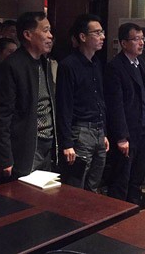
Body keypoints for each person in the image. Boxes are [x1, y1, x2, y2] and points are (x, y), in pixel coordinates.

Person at [0, 12, 56, 180]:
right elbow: (1, 116)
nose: (50, 35)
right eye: (45, 30)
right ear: (27, 35)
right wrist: (4, 156)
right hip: (25, 146)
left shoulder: (44, 63)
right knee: (25, 193)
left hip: (47, 144)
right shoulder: (12, 65)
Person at [104, 22, 145, 205]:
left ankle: (134, 212)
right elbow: (115, 104)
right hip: (128, 130)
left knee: (137, 176)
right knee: (122, 177)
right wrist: (121, 137)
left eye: (143, 39)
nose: (141, 43)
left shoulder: (140, 63)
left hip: (143, 127)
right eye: (136, 39)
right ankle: (117, 214)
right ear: (124, 43)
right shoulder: (115, 67)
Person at [55, 14, 109, 192]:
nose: (102, 37)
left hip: (98, 129)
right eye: (97, 33)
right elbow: (64, 106)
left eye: (102, 32)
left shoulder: (96, 63)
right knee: (75, 186)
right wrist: (67, 143)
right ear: (83, 37)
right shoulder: (68, 65)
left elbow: (100, 100)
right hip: (80, 131)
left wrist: (104, 132)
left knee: (94, 184)